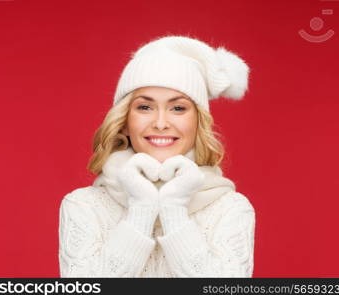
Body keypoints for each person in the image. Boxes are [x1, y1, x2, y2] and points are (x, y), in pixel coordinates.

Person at [58, 35, 256, 277]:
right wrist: (141, 209)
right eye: (145, 107)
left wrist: (174, 210)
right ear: (124, 122)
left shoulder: (230, 209)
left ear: (198, 122)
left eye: (178, 108)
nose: (161, 123)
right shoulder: (84, 206)